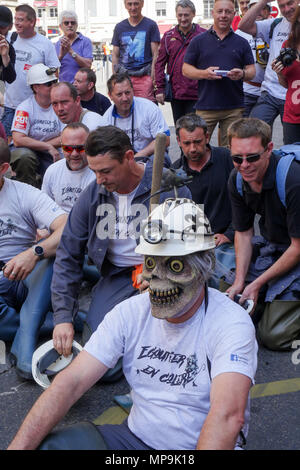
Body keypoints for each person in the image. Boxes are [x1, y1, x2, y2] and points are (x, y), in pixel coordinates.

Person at [7, 198, 257, 451]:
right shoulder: (130, 312)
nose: (156, 277)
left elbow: (227, 417)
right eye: (150, 262)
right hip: (134, 440)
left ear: (204, 266)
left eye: (175, 265)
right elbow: (70, 382)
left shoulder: (231, 324)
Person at [50, 126, 191, 377]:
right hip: (117, 276)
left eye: (106, 171)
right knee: (101, 367)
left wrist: (164, 273)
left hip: (164, 274)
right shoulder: (94, 194)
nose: (100, 180)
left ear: (128, 157)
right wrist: (62, 317)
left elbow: (192, 246)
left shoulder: (168, 185)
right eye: (94, 171)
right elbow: (68, 254)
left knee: (172, 337)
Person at [225, 118, 300, 351]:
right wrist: (240, 282)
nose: (244, 165)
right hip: (276, 247)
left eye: (252, 157)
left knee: (273, 336)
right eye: (237, 158)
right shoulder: (237, 179)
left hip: (295, 248)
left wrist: (256, 284)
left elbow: (297, 248)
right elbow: (244, 233)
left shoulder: (293, 180)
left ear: (269, 149)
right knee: (226, 295)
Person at [0, 139, 67, 379]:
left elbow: (66, 228)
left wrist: (33, 253)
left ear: (3, 168)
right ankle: (42, 322)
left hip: (23, 275)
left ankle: (25, 339)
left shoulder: (23, 193)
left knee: (48, 255)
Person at [172, 113, 235, 286]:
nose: (192, 148)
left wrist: (230, 233)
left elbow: (245, 202)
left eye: (197, 142)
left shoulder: (227, 159)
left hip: (226, 242)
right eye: (187, 143)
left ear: (207, 137)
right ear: (178, 141)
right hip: (191, 246)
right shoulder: (174, 173)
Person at [182, 0, 255, 147]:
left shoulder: (242, 42)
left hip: (234, 107)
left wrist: (242, 74)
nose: (223, 15)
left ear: (234, 14)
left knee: (231, 150)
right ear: (212, 13)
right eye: (219, 11)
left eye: (227, 12)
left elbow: (252, 71)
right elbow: (186, 69)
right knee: (197, 147)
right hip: (206, 106)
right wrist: (204, 74)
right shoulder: (198, 41)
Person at [0, 4, 60, 138]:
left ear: (32, 22)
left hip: (35, 109)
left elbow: (54, 73)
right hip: (11, 106)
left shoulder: (45, 43)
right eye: (15, 19)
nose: (16, 23)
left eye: (20, 20)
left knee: (30, 146)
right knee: (7, 147)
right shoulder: (9, 38)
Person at [238, 0, 299, 128]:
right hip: (269, 92)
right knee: (254, 131)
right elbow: (243, 26)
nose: (286, 9)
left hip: (292, 92)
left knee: (292, 141)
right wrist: (264, 1)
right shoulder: (274, 24)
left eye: (290, 3)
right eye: (282, 6)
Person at [10, 64, 64, 188]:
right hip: (30, 151)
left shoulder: (60, 105)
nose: (53, 86)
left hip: (51, 152)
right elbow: (18, 139)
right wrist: (47, 146)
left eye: (54, 81)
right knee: (24, 157)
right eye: (48, 84)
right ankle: (27, 193)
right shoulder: (25, 107)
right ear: (36, 87)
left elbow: (65, 136)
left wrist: (44, 147)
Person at [154, 0, 206, 124]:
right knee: (180, 129)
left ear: (193, 14)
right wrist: (159, 89)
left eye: (186, 15)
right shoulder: (167, 37)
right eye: (180, 15)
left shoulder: (204, 35)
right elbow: (159, 64)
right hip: (176, 93)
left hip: (198, 93)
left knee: (195, 129)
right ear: (176, 15)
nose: (183, 19)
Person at [102, 73, 170, 162]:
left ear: (133, 91)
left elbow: (165, 139)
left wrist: (137, 157)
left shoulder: (149, 108)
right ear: (110, 95)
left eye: (127, 93)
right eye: (119, 94)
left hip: (149, 157)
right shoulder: (106, 118)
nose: (125, 98)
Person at [111, 0, 160, 102]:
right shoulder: (119, 27)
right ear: (125, 5)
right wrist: (115, 77)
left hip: (145, 78)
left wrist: (153, 76)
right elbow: (115, 54)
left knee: (146, 110)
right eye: (130, 4)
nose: (133, 7)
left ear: (142, 4)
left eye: (136, 3)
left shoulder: (151, 25)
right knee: (125, 110)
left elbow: (156, 54)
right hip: (124, 78)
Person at [42, 123, 95, 213]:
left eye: (80, 148)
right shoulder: (53, 171)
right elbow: (45, 206)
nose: (74, 154)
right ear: (61, 147)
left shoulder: (98, 173)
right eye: (68, 148)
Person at [271, 5, 300, 145]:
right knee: (292, 157)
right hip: (292, 115)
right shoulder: (288, 45)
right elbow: (286, 84)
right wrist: (279, 73)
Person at [236, 0, 269, 117]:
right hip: (247, 90)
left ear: (268, 11)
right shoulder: (240, 33)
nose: (259, 11)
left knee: (262, 131)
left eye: (263, 8)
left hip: (269, 93)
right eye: (254, 8)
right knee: (240, 128)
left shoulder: (274, 29)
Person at [55, 10, 93, 83]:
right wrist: (61, 56)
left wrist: (70, 51)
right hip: (65, 87)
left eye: (73, 23)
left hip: (82, 88)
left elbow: (88, 65)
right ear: (60, 26)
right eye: (66, 23)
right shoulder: (57, 44)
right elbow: (54, 71)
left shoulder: (85, 41)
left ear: (77, 25)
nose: (70, 25)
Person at [0, 5, 16, 85]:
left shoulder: (8, 48)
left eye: (2, 27)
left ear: (10, 27)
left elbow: (10, 79)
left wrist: (5, 56)